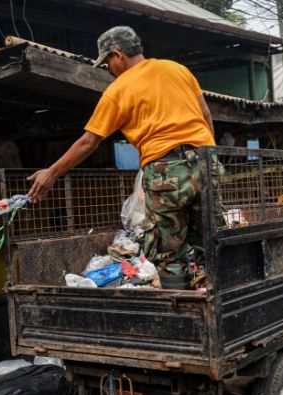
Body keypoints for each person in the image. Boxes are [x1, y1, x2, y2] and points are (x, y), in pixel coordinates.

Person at [28, 26, 216, 288]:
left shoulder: (119, 90)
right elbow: (205, 114)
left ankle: (183, 313)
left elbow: (88, 142)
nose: (108, 68)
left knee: (165, 249)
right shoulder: (177, 69)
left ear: (118, 55)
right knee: (211, 237)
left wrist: (52, 172)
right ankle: (219, 297)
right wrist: (209, 155)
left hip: (166, 169)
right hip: (207, 161)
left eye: (107, 62)